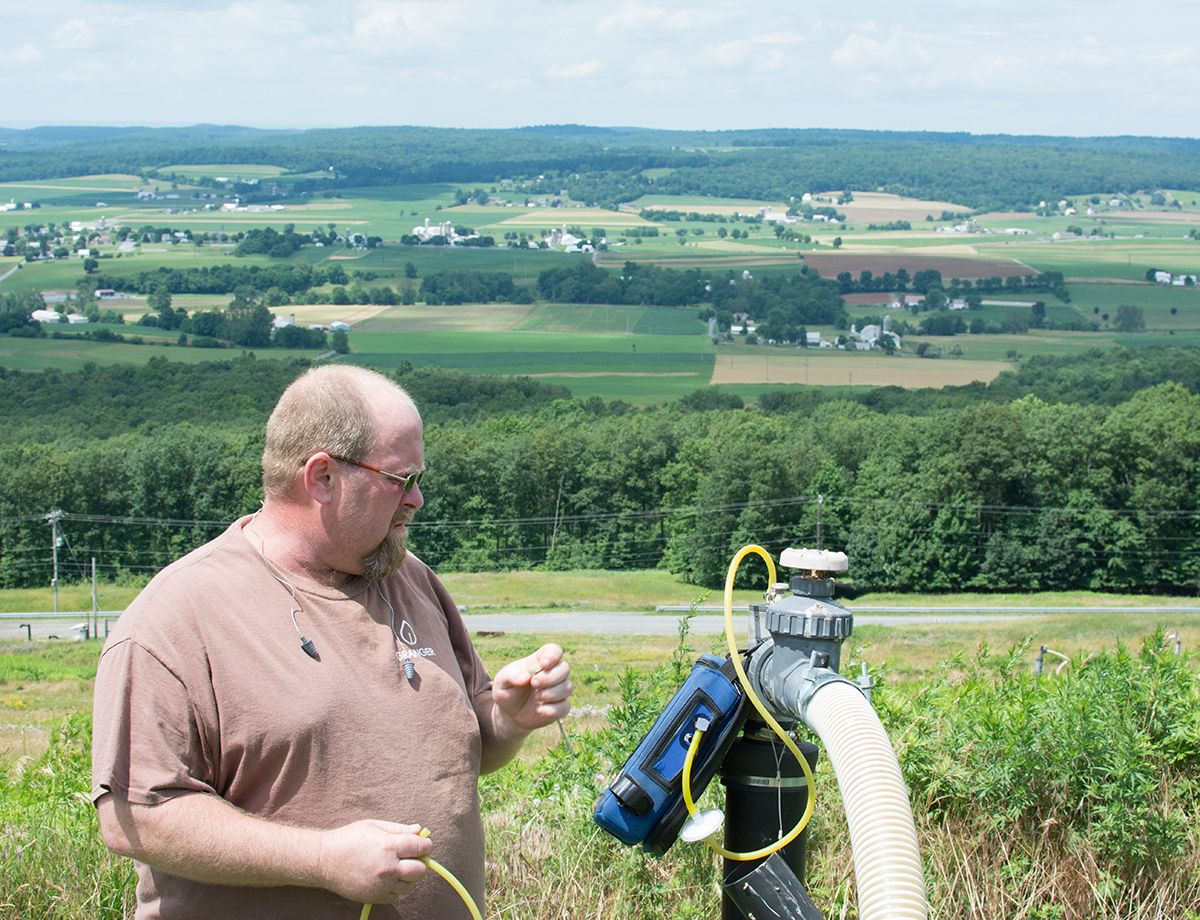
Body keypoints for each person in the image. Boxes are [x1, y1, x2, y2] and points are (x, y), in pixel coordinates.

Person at [91, 364, 573, 919]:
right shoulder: (176, 617)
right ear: (321, 477)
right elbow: (136, 817)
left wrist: (507, 722)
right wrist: (321, 858)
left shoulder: (411, 579)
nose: (416, 500)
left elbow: (464, 751)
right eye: (402, 479)